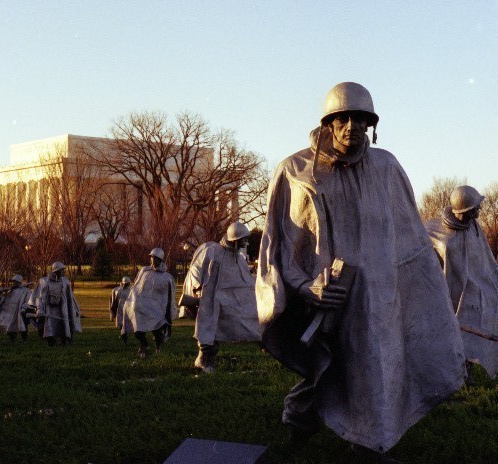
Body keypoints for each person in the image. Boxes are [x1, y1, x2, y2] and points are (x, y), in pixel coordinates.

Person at [256, 82, 464, 460]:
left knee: (375, 366)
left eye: (361, 119)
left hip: (378, 295)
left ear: (371, 125)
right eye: (344, 118)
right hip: (326, 296)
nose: (352, 125)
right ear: (329, 123)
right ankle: (297, 423)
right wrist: (307, 288)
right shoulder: (295, 171)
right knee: (328, 368)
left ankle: (370, 445)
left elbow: (409, 236)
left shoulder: (387, 167)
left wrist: (419, 287)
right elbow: (282, 244)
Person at [426, 185, 498, 382]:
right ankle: (452, 372)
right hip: (448, 292)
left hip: (475, 289)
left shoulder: (475, 227)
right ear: (465, 210)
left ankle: (467, 370)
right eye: (476, 207)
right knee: (451, 333)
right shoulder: (435, 232)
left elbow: (485, 259)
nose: (480, 210)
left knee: (477, 324)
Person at [182, 221, 260, 374]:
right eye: (243, 239)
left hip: (230, 301)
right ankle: (205, 360)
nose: (245, 242)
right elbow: (197, 269)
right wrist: (197, 288)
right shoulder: (212, 251)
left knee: (225, 327)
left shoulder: (239, 258)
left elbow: (246, 280)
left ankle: (206, 359)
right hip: (210, 297)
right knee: (208, 328)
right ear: (234, 239)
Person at [121, 248, 177, 358]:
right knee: (137, 329)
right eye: (151, 257)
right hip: (141, 307)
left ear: (160, 259)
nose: (152, 260)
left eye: (155, 258)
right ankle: (144, 344)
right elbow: (136, 286)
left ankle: (159, 346)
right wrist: (132, 301)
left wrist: (167, 312)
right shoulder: (144, 271)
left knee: (157, 330)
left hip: (157, 309)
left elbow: (169, 296)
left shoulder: (167, 278)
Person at [28, 262, 81, 346]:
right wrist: (39, 309)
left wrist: (75, 308)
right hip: (49, 309)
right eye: (62, 270)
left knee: (64, 325)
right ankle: (50, 342)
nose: (64, 272)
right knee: (49, 327)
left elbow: (70, 297)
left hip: (62, 308)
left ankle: (64, 341)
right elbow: (39, 297)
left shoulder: (65, 282)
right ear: (56, 271)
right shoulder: (44, 282)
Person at [0, 274, 32, 342]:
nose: (14, 283)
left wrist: (24, 308)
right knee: (10, 327)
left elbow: (28, 300)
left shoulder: (26, 290)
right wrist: (1, 293)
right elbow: (5, 299)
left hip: (20, 311)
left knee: (22, 326)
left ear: (19, 281)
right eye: (13, 281)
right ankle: (12, 339)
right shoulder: (11, 290)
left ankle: (25, 339)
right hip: (10, 311)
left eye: (15, 281)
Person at [109, 276, 132, 342]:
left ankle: (124, 335)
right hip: (120, 310)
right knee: (121, 324)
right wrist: (113, 311)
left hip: (128, 310)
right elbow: (113, 302)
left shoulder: (131, 290)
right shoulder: (117, 291)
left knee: (126, 324)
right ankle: (124, 335)